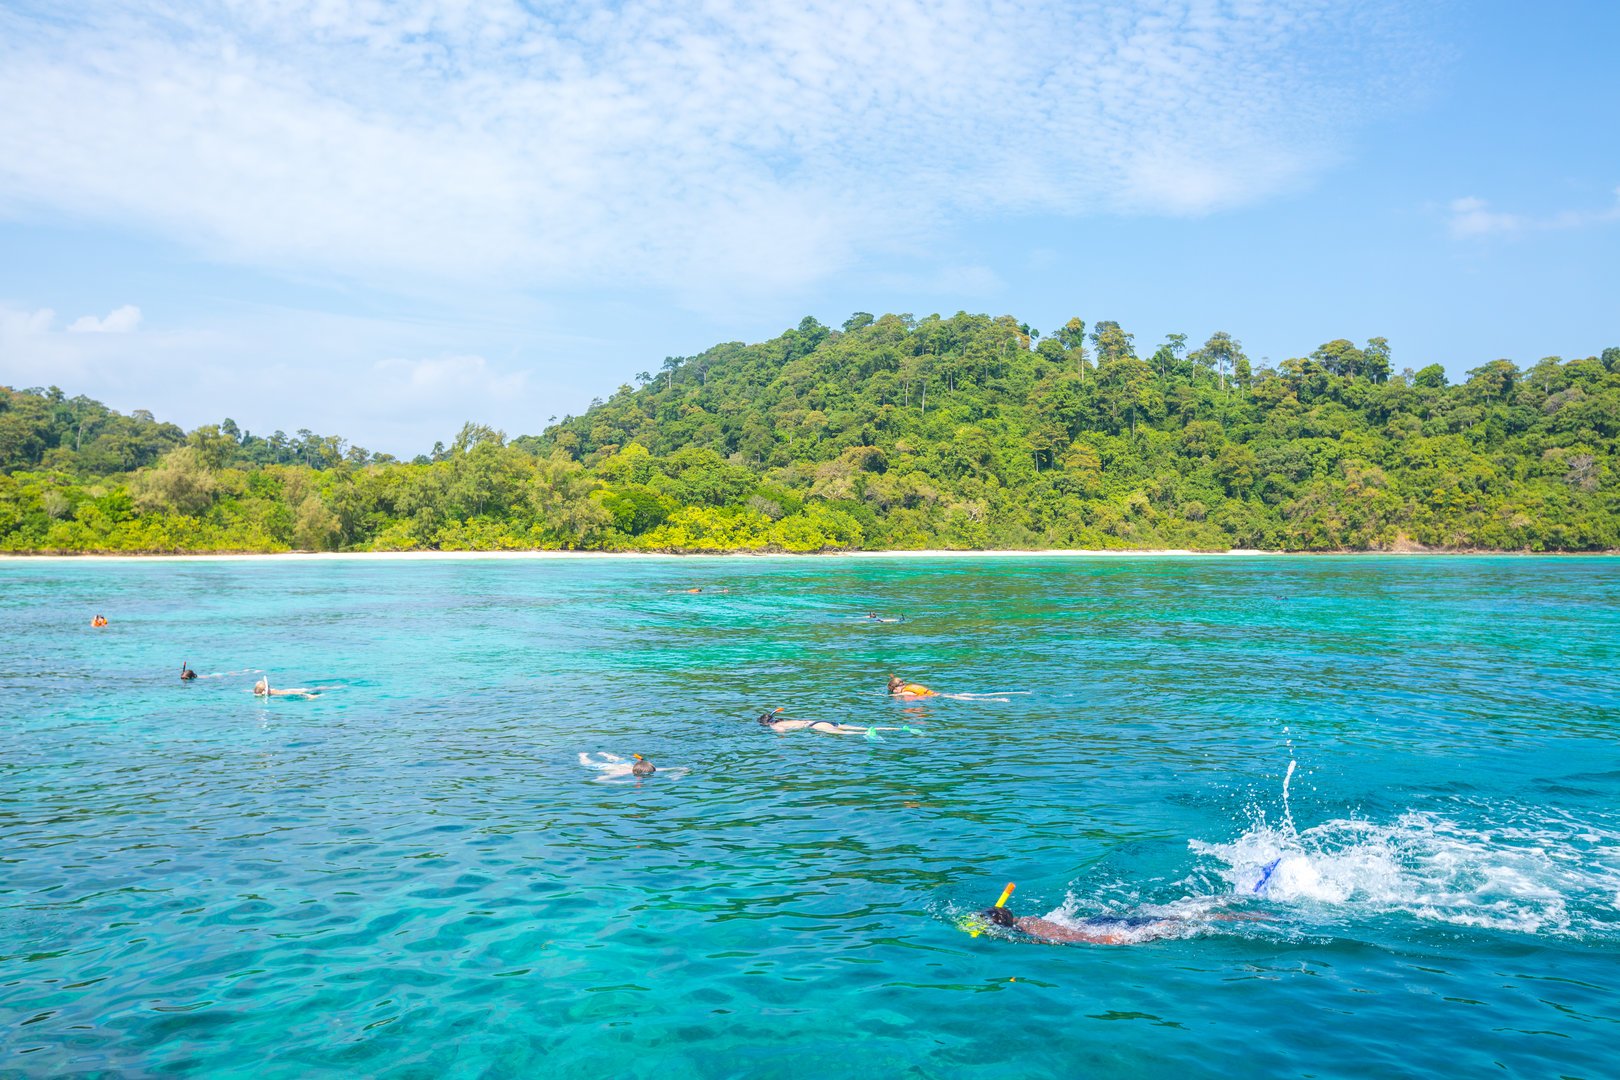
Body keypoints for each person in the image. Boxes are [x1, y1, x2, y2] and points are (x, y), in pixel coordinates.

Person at [755, 707, 916, 737]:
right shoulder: (785, 720)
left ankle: (869, 734)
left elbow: (782, 735)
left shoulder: (776, 726)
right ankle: (899, 729)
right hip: (823, 720)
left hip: (816, 726)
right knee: (862, 727)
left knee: (846, 734)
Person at [253, 676, 319, 700]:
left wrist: (308, 695)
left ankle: (310, 694)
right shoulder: (271, 692)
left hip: (288, 691)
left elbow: (293, 693)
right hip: (288, 691)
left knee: (311, 690)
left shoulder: (272, 692)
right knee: (312, 689)